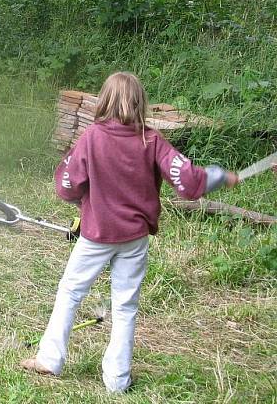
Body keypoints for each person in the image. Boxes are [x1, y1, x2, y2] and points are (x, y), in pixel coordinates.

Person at [20, 72, 238, 393]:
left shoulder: (91, 137)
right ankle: (117, 381)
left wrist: (82, 197)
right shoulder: (151, 140)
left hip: (96, 235)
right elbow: (190, 180)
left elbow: (68, 185)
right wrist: (220, 177)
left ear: (104, 100)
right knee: (124, 306)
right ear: (140, 103)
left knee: (70, 292)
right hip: (134, 238)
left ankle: (51, 359)